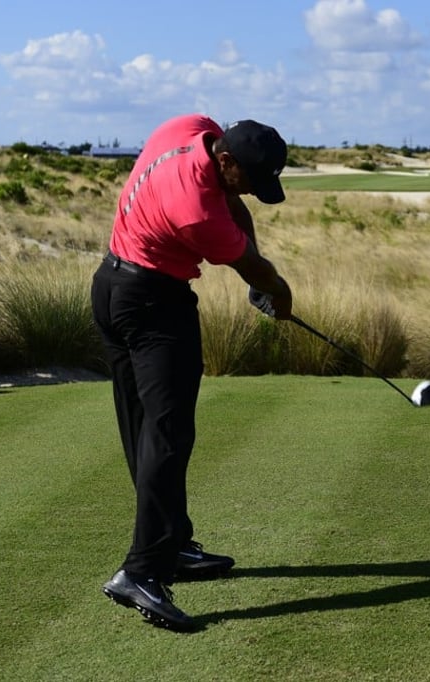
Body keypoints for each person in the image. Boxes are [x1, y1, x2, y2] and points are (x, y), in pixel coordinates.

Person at [91, 114, 293, 631]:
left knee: (144, 428)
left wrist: (257, 258)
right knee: (169, 433)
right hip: (155, 306)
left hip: (112, 288)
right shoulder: (196, 211)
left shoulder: (189, 127)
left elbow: (238, 213)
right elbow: (252, 266)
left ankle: (174, 544)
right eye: (249, 179)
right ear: (225, 160)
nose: (251, 191)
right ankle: (142, 570)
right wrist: (277, 290)